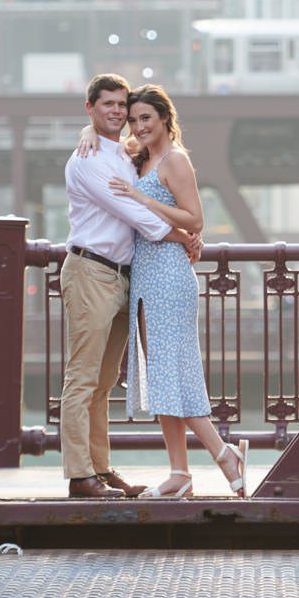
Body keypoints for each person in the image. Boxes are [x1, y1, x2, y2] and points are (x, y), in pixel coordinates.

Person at [79, 84, 247, 498]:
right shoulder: (137, 157)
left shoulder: (174, 161)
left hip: (169, 275)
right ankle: (180, 474)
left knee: (175, 371)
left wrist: (141, 197)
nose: (138, 126)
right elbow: (103, 146)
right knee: (161, 376)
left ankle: (224, 454)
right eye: (134, 120)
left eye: (145, 118)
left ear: (165, 118)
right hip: (145, 277)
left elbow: (196, 220)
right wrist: (88, 131)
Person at [61, 73, 199, 499]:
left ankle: (99, 470)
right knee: (82, 379)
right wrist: (186, 236)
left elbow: (149, 172)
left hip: (123, 275)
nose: (118, 113)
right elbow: (135, 214)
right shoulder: (87, 161)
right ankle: (80, 476)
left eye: (122, 105)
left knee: (103, 383)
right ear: (90, 108)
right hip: (91, 271)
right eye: (108, 105)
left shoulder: (124, 153)